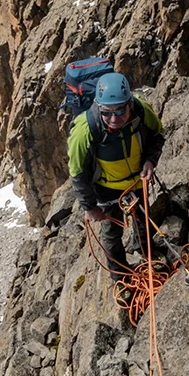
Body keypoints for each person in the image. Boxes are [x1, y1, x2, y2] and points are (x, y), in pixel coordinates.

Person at [68, 72, 165, 302]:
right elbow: (78, 173)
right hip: (106, 188)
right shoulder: (85, 130)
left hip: (136, 180)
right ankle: (120, 278)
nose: (114, 119)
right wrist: (89, 207)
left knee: (143, 218)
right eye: (107, 113)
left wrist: (150, 160)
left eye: (120, 111)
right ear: (98, 108)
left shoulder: (142, 111)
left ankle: (147, 254)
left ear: (130, 104)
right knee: (112, 233)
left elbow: (158, 136)